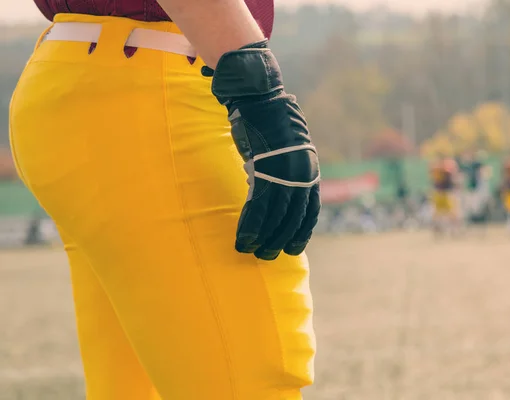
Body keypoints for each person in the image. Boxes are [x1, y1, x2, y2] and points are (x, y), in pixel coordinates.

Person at [9, 0, 321, 399]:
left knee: (135, 387)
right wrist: (260, 91)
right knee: (250, 381)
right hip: (149, 83)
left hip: (89, 77)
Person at [429, 155, 460, 236]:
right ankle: (441, 228)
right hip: (442, 193)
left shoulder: (443, 169)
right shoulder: (439, 169)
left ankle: (452, 229)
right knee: (442, 213)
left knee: (450, 212)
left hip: (444, 192)